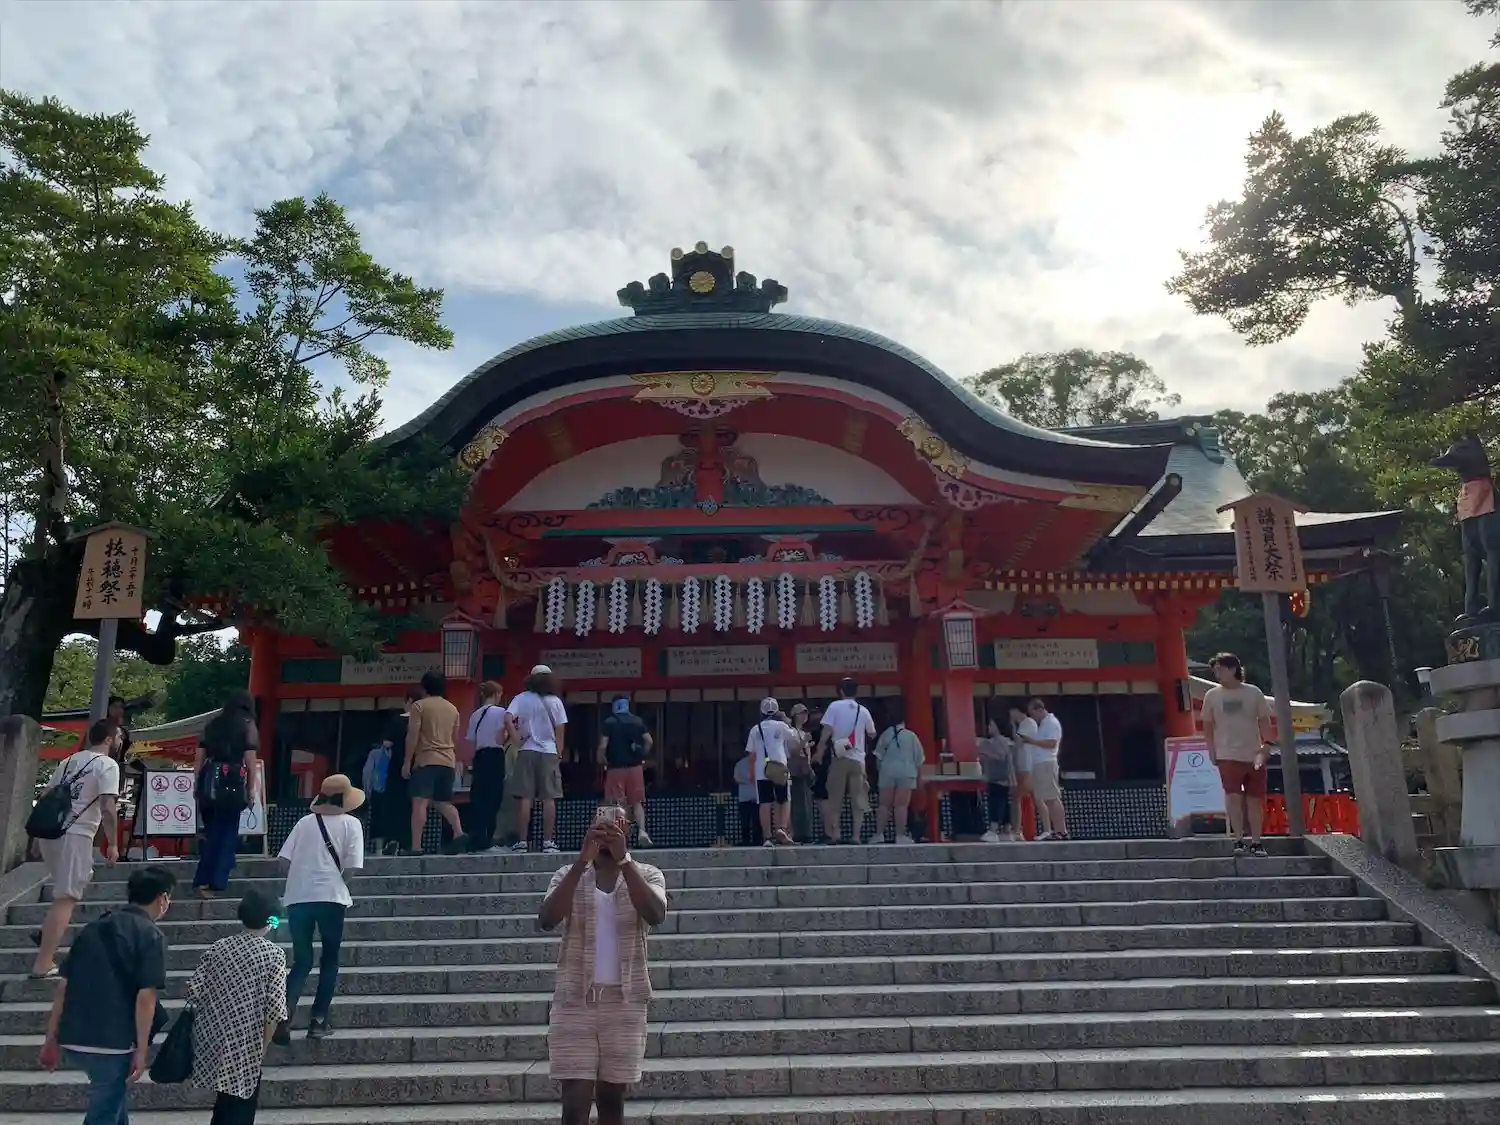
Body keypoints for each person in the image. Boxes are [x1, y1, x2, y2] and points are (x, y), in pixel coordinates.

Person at [538, 805, 668, 1125]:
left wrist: (624, 861)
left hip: (624, 1003)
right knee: (574, 1102)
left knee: (612, 1101)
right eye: (603, 822)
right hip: (574, 1001)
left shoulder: (648, 873)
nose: (609, 829)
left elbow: (656, 914)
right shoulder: (567, 873)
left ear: (629, 829)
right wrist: (582, 861)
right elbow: (547, 918)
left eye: (617, 822)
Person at [38, 865, 174, 1125]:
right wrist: (142, 1051)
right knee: (104, 1112)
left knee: (112, 1101)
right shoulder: (150, 935)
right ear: (162, 898)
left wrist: (51, 1037)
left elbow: (64, 987)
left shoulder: (93, 928)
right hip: (113, 1042)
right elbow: (145, 998)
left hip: (75, 1035)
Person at [273, 774, 366, 1044]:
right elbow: (353, 867)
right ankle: (318, 1020)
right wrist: (336, 881)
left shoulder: (304, 823)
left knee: (301, 960)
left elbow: (283, 860)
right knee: (329, 960)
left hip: (298, 898)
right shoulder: (352, 824)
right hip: (331, 899)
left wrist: (301, 878)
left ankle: (284, 1017)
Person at [187, 887, 289, 1124]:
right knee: (241, 1106)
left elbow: (193, 991)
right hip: (246, 1041)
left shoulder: (218, 947)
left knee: (224, 1103)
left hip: (213, 1036)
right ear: (270, 921)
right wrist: (263, 1047)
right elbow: (275, 1009)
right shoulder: (274, 955)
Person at [31, 719, 122, 979]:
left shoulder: (68, 761)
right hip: (77, 833)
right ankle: (43, 963)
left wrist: (36, 837)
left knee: (71, 884)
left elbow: (47, 797)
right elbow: (108, 807)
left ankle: (46, 931)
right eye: (118, 737)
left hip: (52, 832)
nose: (119, 742)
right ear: (109, 739)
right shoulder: (108, 765)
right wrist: (113, 843)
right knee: (67, 897)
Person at [1202, 651, 1276, 858]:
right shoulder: (1212, 695)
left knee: (1255, 799)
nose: (1217, 674)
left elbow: (1264, 720)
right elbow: (1207, 725)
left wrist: (1267, 744)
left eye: (1220, 669)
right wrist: (1211, 750)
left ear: (1233, 669)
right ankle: (1238, 840)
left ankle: (1257, 842)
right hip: (1227, 753)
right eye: (1215, 670)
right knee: (1233, 796)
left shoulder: (1253, 693)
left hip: (1253, 753)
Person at [193, 691, 261, 898]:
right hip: (231, 780)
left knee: (212, 832)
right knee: (226, 833)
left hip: (209, 779)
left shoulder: (212, 724)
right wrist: (251, 790)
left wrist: (197, 784)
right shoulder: (247, 725)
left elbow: (199, 758)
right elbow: (250, 762)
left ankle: (206, 876)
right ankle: (212, 881)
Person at [403, 670, 467, 856]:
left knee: (419, 802)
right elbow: (455, 738)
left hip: (426, 759)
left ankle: (416, 847)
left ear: (425, 688)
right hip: (448, 760)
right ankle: (459, 832)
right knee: (443, 802)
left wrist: (407, 762)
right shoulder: (453, 709)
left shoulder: (419, 706)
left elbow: (413, 735)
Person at [507, 664, 569, 854]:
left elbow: (508, 718)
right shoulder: (555, 701)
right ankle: (548, 842)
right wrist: (559, 754)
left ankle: (522, 842)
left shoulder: (521, 698)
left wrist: (516, 739)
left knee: (525, 798)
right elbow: (560, 731)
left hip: (527, 750)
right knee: (549, 798)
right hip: (549, 752)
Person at [816, 678, 877, 844]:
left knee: (835, 798)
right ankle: (856, 836)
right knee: (858, 799)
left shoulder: (834, 706)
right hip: (858, 760)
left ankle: (836, 834)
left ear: (841, 691)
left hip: (839, 757)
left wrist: (820, 750)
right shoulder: (863, 710)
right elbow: (872, 733)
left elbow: (827, 731)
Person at [466, 680, 515, 854]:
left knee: (479, 797)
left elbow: (472, 741)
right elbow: (501, 737)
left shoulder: (475, 714)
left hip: (480, 756)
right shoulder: (501, 712)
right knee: (493, 797)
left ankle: (477, 838)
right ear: (496, 694)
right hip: (495, 755)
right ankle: (488, 838)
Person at [600, 693, 654, 847]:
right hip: (635, 767)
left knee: (618, 803)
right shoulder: (637, 721)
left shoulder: (609, 722)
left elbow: (603, 746)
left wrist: (602, 759)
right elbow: (649, 741)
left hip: (616, 768)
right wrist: (642, 754)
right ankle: (642, 831)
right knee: (637, 802)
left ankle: (622, 836)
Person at [377, 686, 421, 855]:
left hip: (396, 766)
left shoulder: (397, 721)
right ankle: (408, 843)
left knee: (394, 804)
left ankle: (392, 839)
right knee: (413, 806)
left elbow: (387, 744)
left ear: (409, 700)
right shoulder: (422, 722)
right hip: (418, 767)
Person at [871, 699, 923, 845]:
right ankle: (900, 835)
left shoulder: (885, 735)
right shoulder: (911, 736)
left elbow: (878, 757)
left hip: (887, 771)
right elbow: (919, 760)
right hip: (906, 772)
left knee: (884, 805)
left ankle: (879, 835)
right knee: (901, 805)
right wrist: (919, 779)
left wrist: (881, 772)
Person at [747, 698, 795, 847]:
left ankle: (767, 836)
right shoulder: (781, 726)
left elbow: (751, 754)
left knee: (764, 802)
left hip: (762, 768)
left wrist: (751, 773)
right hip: (779, 766)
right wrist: (786, 720)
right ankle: (782, 828)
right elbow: (793, 736)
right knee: (784, 799)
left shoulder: (755, 729)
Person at [1019, 698, 1068, 840]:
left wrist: (1031, 741)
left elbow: (1052, 743)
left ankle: (1061, 830)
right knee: (1048, 799)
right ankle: (1057, 830)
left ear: (1040, 709)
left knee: (1052, 798)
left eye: (1033, 713)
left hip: (1047, 763)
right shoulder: (1043, 724)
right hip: (1041, 764)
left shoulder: (1051, 723)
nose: (1032, 717)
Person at [979, 710, 1017, 843]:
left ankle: (993, 830)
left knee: (996, 803)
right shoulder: (1005, 741)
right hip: (1004, 778)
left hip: (998, 778)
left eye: (991, 724)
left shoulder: (999, 741)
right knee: (1004, 804)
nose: (989, 727)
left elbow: (1000, 756)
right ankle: (1007, 830)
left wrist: (984, 753)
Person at [786, 703, 815, 843]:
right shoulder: (791, 732)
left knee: (806, 803)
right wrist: (804, 742)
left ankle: (806, 832)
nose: (804, 716)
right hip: (795, 772)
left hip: (804, 770)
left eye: (806, 713)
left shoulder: (803, 733)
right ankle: (798, 833)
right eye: (801, 713)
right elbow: (792, 752)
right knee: (798, 804)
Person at [733, 746, 760, 846]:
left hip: (757, 797)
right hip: (744, 798)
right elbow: (736, 777)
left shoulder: (761, 762)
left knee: (757, 821)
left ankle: (758, 840)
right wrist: (749, 779)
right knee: (745, 821)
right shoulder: (740, 764)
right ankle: (746, 841)